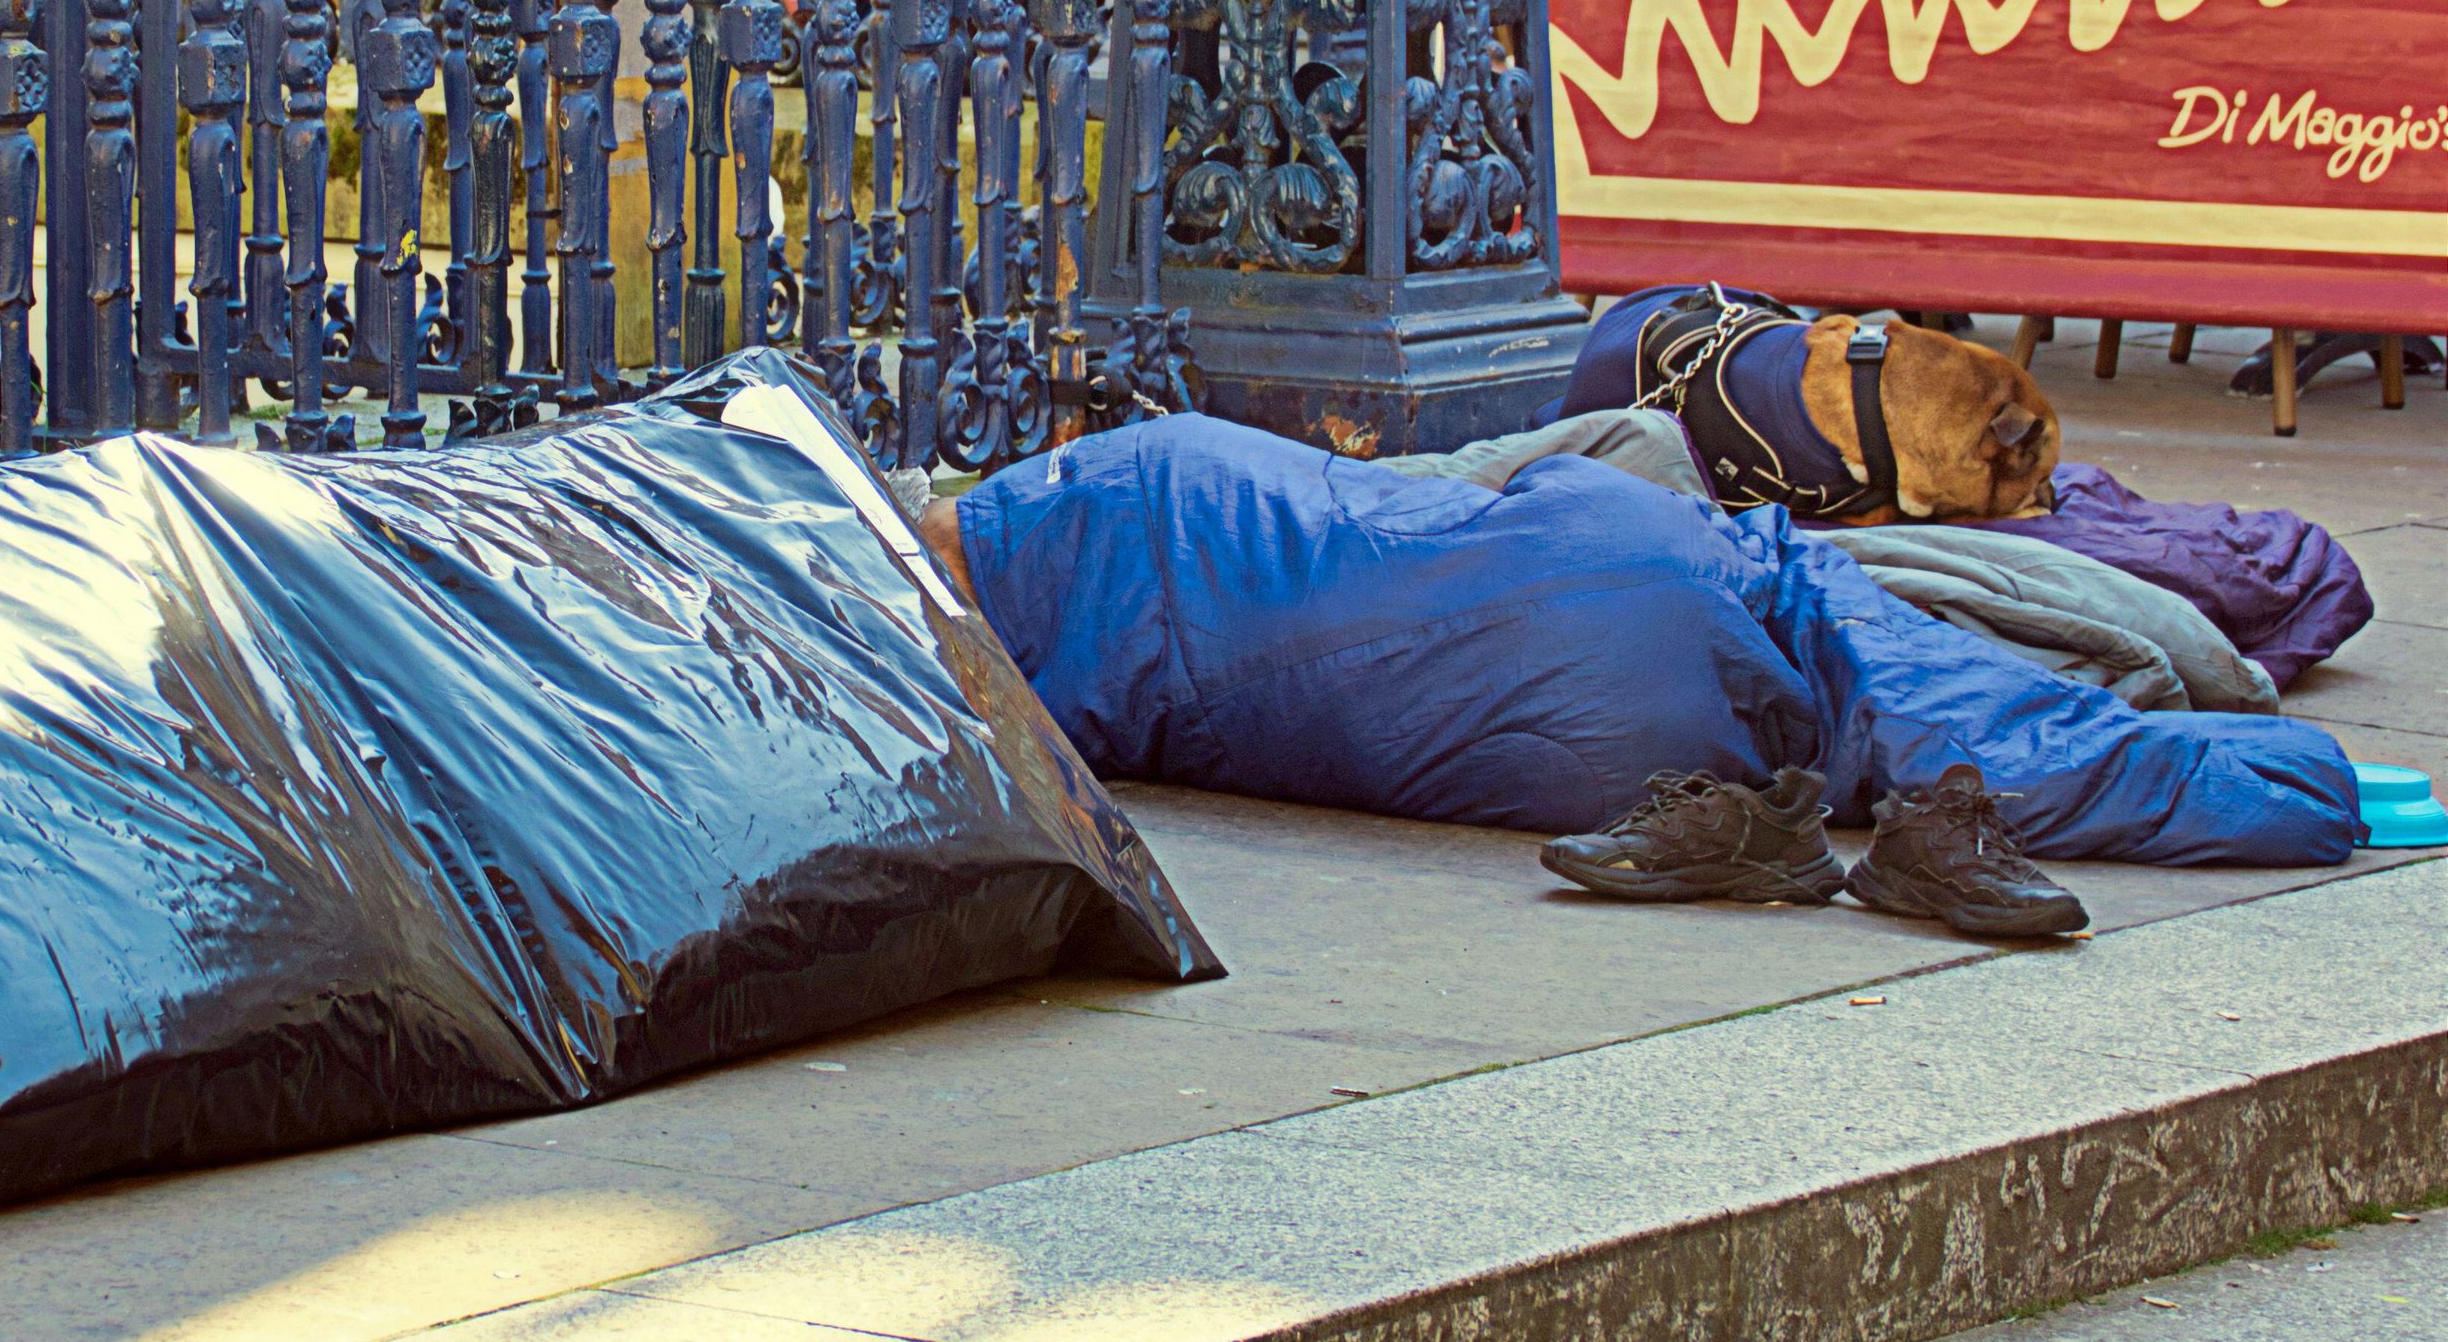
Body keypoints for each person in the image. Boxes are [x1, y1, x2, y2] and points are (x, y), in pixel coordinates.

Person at [911, 410, 2360, 938]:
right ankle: (1807, 811)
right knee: (1910, 680)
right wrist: (2317, 785)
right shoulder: (1096, 490)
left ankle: (1766, 811)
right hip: (1569, 587)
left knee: (1873, 680)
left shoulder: (1022, 690)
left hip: (1572, 682)